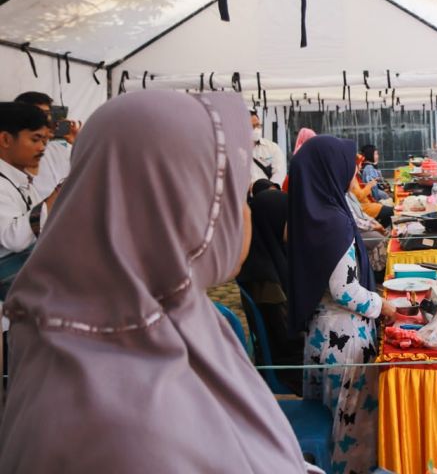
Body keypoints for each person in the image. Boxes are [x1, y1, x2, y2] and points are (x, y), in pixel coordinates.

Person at [0, 91, 312, 473]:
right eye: (230, 195)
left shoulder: (172, 312)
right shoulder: (120, 423)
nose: (243, 215)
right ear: (172, 206)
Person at [287, 135, 397, 474]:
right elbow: (345, 290)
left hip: (321, 335)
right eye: (348, 165)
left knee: (331, 419)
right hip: (345, 339)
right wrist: (384, 306)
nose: (354, 172)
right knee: (350, 424)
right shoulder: (333, 222)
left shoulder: (308, 215)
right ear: (329, 169)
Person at [236, 187, 303, 395]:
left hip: (289, 352)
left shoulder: (268, 255)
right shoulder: (263, 279)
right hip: (290, 365)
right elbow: (287, 337)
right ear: (274, 221)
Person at [0, 103, 58, 292]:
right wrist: (57, 196)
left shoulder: (22, 181)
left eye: (45, 141)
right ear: (5, 139)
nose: (42, 148)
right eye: (36, 139)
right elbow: (14, 239)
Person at [13, 91, 78, 200]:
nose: (45, 119)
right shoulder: (13, 155)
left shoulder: (58, 149)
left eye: (47, 114)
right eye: (38, 114)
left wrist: (78, 143)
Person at [351, 154, 394, 229]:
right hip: (365, 207)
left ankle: (381, 228)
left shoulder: (356, 176)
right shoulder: (354, 178)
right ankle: (381, 229)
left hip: (368, 204)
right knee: (392, 211)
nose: (361, 166)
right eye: (376, 153)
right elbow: (359, 196)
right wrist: (369, 186)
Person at [250, 110, 287, 186]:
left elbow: (279, 172)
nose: (256, 129)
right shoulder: (234, 151)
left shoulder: (272, 148)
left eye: (258, 125)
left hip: (268, 191)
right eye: (252, 126)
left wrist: (270, 188)